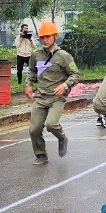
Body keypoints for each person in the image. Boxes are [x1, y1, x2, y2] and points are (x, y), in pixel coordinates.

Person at [26, 21, 79, 164]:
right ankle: (41, 155)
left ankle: (62, 138)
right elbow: (32, 70)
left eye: (47, 36)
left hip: (57, 98)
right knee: (34, 129)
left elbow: (75, 74)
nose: (44, 40)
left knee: (51, 125)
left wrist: (65, 85)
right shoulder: (36, 54)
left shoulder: (63, 56)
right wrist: (29, 85)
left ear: (55, 36)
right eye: (42, 37)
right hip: (40, 97)